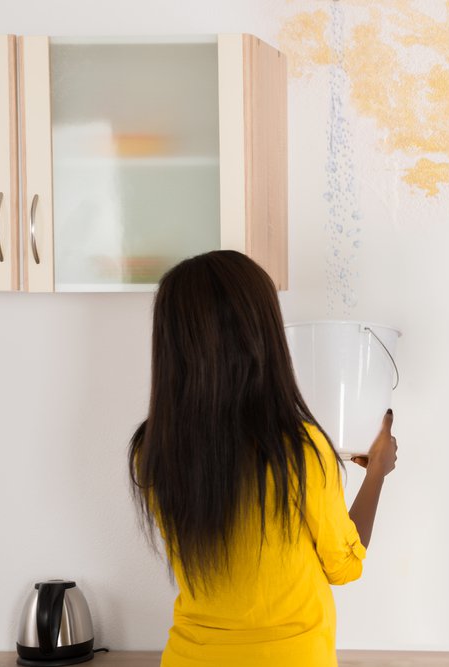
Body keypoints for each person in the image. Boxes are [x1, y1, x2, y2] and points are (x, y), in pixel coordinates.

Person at [128, 250, 398, 667]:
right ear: (261, 337)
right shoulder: (299, 449)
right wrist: (376, 472)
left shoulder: (153, 450)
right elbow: (343, 566)